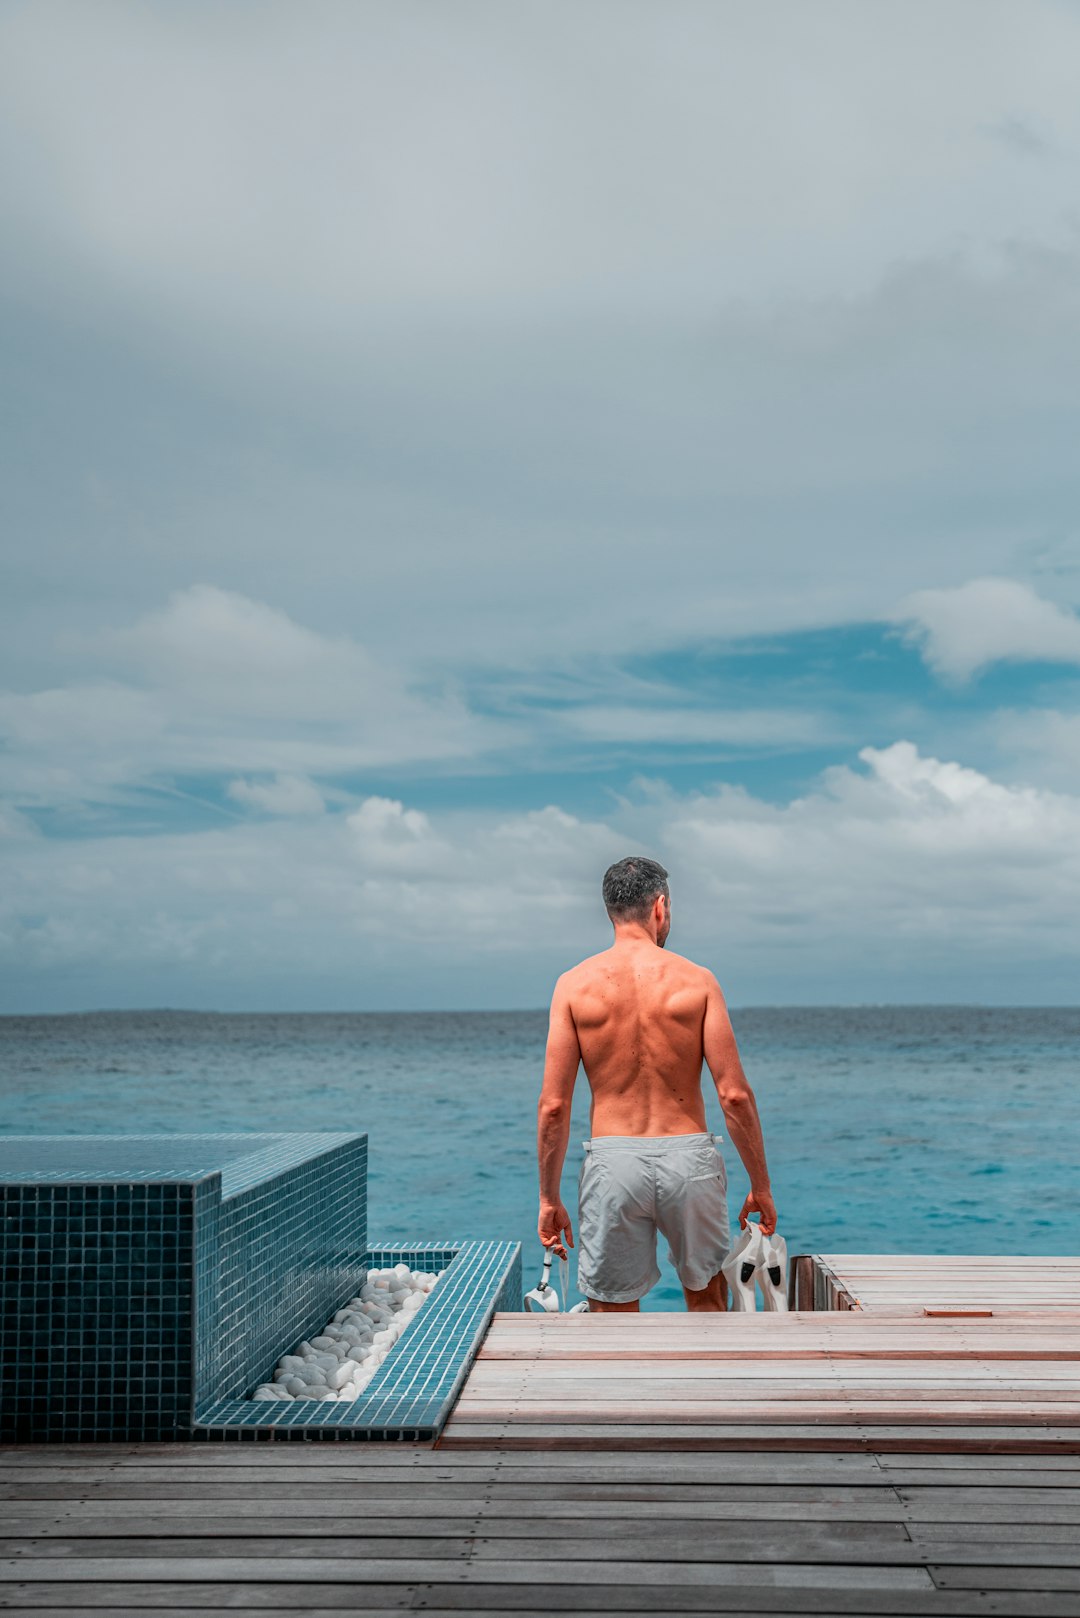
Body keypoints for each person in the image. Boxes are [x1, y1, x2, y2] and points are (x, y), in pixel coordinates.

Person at [536, 855, 776, 1312]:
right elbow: (734, 1095)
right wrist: (760, 1185)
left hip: (613, 1160)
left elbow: (553, 1106)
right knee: (708, 1297)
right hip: (690, 1158)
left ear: (609, 910)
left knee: (612, 1307)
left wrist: (549, 1197)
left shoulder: (572, 986)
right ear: (660, 907)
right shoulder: (698, 981)